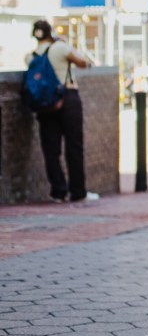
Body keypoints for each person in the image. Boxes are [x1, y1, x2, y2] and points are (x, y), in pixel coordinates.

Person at [26, 20, 98, 203]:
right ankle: (78, 191)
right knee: (74, 146)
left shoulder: (30, 56)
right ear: (51, 32)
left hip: (45, 105)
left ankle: (58, 191)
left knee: (51, 150)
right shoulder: (60, 48)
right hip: (68, 98)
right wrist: (65, 43)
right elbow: (83, 62)